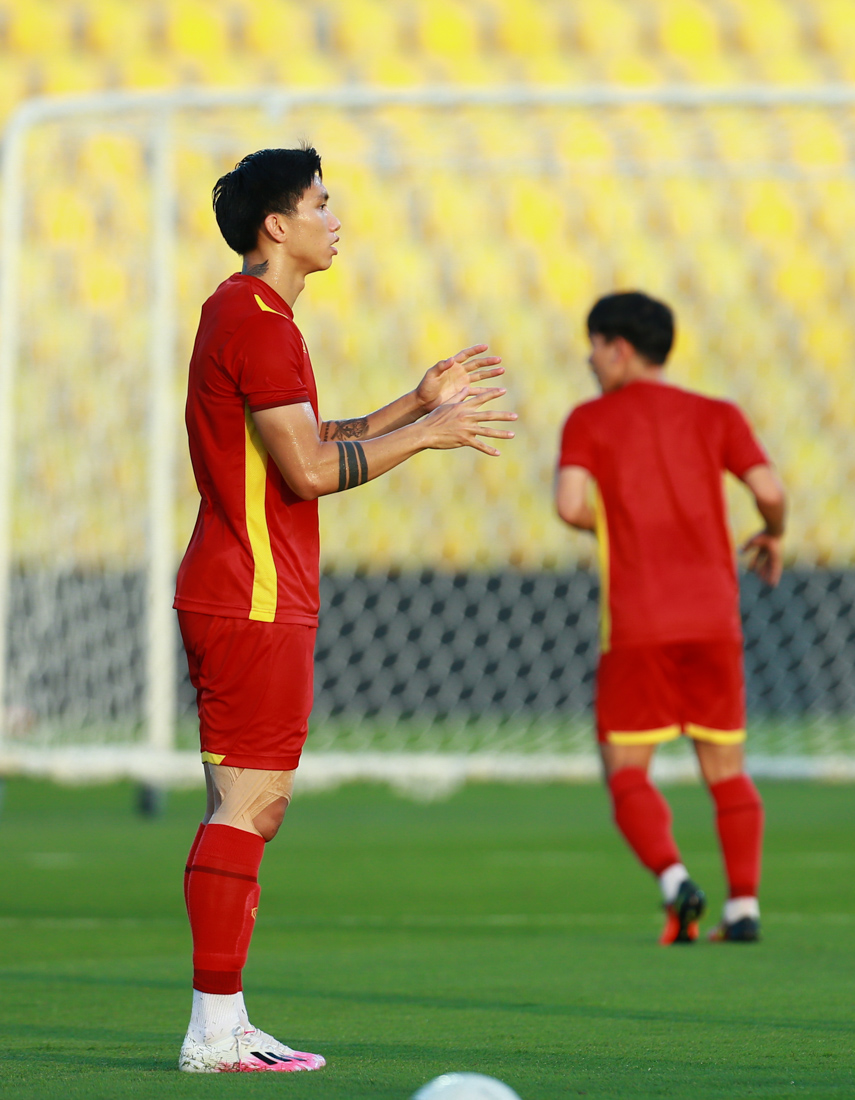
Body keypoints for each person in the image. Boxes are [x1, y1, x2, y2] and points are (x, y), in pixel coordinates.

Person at [176, 147, 516, 1073]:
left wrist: (414, 400)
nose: (338, 220)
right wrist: (432, 433)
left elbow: (305, 437)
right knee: (251, 804)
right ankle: (213, 1030)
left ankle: (226, 1017)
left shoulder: (246, 314)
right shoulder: (258, 321)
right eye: (323, 204)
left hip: (244, 583)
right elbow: (312, 472)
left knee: (246, 805)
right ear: (276, 226)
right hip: (253, 591)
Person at [555, 291, 785, 945]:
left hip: (638, 624)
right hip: (715, 620)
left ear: (619, 348)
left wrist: (626, 523)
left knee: (626, 771)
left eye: (594, 346)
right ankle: (744, 908)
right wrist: (773, 533)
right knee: (727, 771)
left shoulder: (588, 421)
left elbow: (570, 506)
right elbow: (769, 491)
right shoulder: (717, 414)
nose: (589, 359)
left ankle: (673, 879)